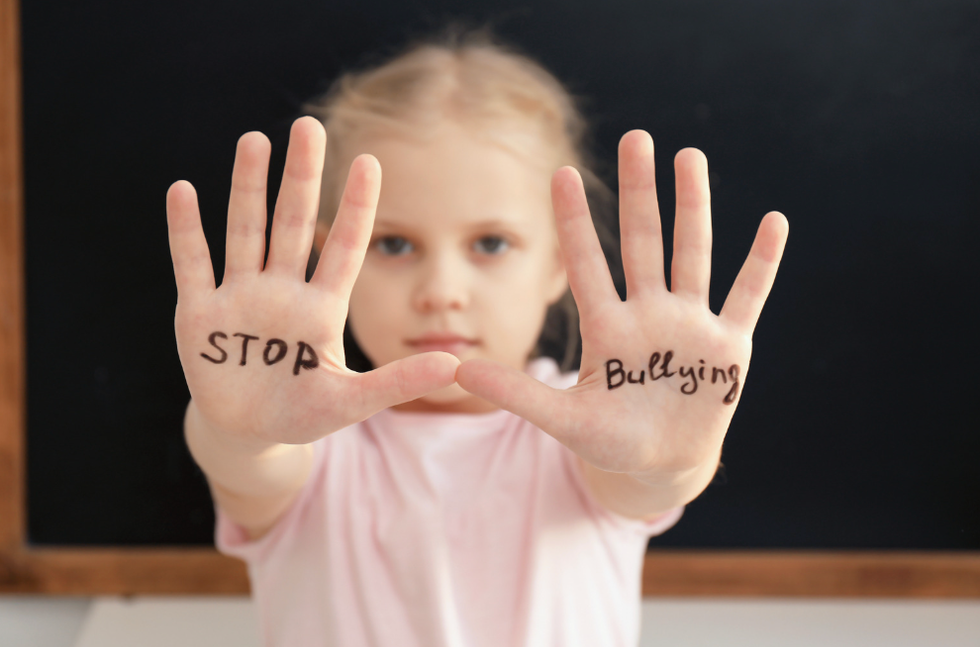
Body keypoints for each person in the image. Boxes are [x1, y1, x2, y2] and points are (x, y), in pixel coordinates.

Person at [166, 29, 788, 647]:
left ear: (560, 264)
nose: (441, 289)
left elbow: (637, 475)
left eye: (490, 244)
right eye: (394, 244)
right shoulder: (311, 436)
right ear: (336, 260)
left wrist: (672, 458)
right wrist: (236, 430)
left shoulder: (591, 424)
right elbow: (250, 469)